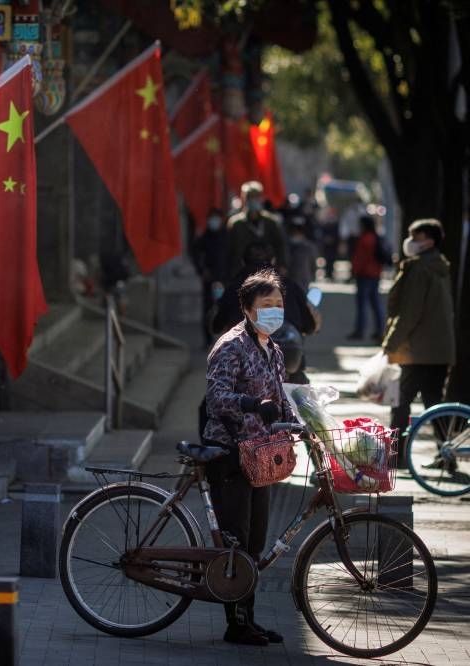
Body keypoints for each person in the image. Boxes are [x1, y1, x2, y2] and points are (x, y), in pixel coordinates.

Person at [203, 269, 294, 646]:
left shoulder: (273, 349)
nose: (274, 312)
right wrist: (253, 404)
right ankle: (235, 624)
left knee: (255, 542)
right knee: (236, 541)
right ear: (247, 308)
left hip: (260, 456)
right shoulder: (231, 345)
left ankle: (248, 619)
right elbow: (216, 398)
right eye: (266, 305)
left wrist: (303, 418)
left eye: (279, 305)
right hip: (229, 454)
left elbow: (282, 400)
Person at [382, 219, 456, 465]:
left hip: (416, 350)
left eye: (417, 237)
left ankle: (395, 455)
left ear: (429, 242)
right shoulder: (440, 267)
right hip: (439, 350)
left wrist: (391, 344)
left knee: (400, 402)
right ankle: (447, 454)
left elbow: (409, 312)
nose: (411, 242)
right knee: (435, 405)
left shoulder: (419, 268)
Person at [226, 181, 287, 279]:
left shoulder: (271, 222)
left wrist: (282, 264)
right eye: (250, 197)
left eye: (256, 197)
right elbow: (228, 250)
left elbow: (281, 245)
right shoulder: (236, 224)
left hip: (267, 272)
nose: (253, 200)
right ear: (244, 199)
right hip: (242, 272)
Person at [192, 208, 229, 349]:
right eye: (211, 218)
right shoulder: (204, 237)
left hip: (225, 279)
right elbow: (195, 254)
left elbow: (233, 256)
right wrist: (202, 270)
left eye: (216, 218)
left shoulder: (227, 237)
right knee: (208, 310)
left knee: (226, 309)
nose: (214, 221)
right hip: (210, 280)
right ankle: (208, 340)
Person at [347, 215, 388, 342]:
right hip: (374, 274)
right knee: (375, 303)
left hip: (364, 274)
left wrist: (354, 271)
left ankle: (360, 330)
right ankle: (380, 330)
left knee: (362, 305)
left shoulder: (365, 239)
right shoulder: (376, 238)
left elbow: (360, 258)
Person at [285, 215, 319, 292]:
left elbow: (313, 265)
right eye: (294, 230)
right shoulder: (285, 246)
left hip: (303, 281)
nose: (297, 233)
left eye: (299, 230)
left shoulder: (309, 247)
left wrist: (312, 276)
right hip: (288, 280)